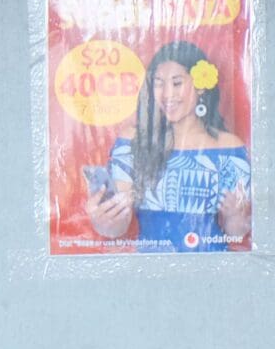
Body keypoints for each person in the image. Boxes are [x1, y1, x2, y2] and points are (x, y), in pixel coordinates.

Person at [84, 40, 252, 252]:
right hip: (151, 270)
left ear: (200, 87)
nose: (166, 94)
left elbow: (236, 233)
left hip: (211, 269)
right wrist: (104, 220)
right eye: (158, 83)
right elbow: (118, 227)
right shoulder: (133, 141)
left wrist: (236, 217)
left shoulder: (229, 148)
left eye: (177, 83)